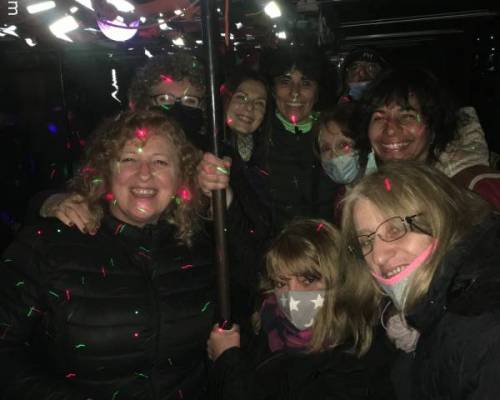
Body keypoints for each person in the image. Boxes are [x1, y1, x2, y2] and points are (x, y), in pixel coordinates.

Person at [0, 110, 217, 399]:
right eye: (128, 159)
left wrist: (226, 203)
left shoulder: (198, 246)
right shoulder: (51, 244)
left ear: (181, 177)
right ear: (105, 170)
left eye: (160, 162)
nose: (144, 173)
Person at [340, 161, 500, 399]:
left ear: (441, 219)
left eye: (395, 230)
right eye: (366, 241)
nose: (379, 256)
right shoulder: (404, 319)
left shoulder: (483, 327)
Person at [207, 218, 396, 400]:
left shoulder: (355, 360)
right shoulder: (269, 325)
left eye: (308, 280)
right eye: (281, 282)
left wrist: (229, 361)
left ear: (339, 280)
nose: (292, 294)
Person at [356, 66, 500, 208]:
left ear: (434, 127)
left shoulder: (479, 190)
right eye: (379, 118)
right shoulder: (369, 187)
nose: (390, 130)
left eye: (407, 116)